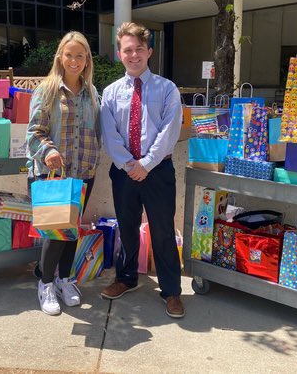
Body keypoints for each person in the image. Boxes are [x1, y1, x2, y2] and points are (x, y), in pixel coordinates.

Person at [100, 22, 184, 318]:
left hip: (158, 171)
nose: (133, 55)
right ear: (119, 54)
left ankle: (171, 290)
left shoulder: (167, 89)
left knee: (162, 231)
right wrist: (129, 165)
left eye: (138, 49)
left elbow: (169, 132)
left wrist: (146, 164)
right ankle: (126, 278)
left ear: (149, 51)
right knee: (126, 227)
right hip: (123, 172)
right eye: (127, 50)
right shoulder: (110, 93)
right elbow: (110, 135)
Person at [26, 31, 100, 315]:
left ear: (87, 60)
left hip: (83, 171)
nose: (74, 60)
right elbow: (33, 133)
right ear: (60, 57)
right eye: (69, 54)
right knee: (55, 232)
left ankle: (65, 280)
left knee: (71, 231)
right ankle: (45, 284)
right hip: (52, 173)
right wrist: (48, 150)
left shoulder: (93, 93)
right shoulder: (46, 90)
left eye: (80, 55)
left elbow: (99, 130)